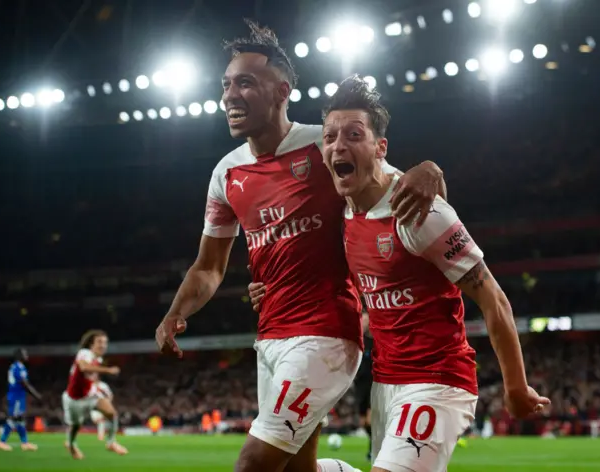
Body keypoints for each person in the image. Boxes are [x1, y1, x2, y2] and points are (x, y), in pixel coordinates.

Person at [155, 20, 446, 472]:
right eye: (226, 84)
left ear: (281, 91)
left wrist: (427, 167)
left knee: (254, 463)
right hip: (270, 335)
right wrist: (177, 312)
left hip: (326, 332)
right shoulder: (226, 174)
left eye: (246, 83)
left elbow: (388, 180)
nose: (231, 95)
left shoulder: (325, 145)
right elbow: (209, 267)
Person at [251, 75, 550, 472]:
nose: (339, 145)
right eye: (330, 137)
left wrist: (515, 386)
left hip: (437, 379)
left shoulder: (418, 211)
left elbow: (493, 299)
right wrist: (272, 290)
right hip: (385, 383)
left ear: (380, 147)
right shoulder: (340, 214)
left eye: (354, 134)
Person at [62, 330, 127, 459]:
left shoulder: (98, 358)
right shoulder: (85, 353)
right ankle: (71, 445)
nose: (103, 345)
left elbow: (91, 376)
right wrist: (108, 370)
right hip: (73, 398)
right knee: (75, 426)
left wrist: (98, 389)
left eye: (105, 343)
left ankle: (111, 442)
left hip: (89, 395)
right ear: (91, 344)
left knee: (112, 413)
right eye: (99, 342)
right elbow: (84, 368)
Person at [0, 348, 41, 452]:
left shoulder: (16, 367)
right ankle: (1, 442)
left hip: (18, 396)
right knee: (14, 418)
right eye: (25, 354)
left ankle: (25, 443)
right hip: (16, 396)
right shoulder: (18, 367)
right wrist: (36, 395)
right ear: (19, 356)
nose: (27, 355)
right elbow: (24, 383)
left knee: (20, 420)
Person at [355, 312, 373, 461]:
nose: (364, 323)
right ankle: (374, 444)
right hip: (359, 385)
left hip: (371, 385)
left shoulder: (372, 341)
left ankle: (373, 448)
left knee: (369, 419)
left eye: (366, 320)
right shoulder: (355, 340)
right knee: (363, 422)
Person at [90, 376, 113, 441]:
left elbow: (110, 395)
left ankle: (101, 436)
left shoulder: (103, 385)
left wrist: (108, 403)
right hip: (92, 406)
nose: (93, 378)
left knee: (101, 421)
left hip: (103, 404)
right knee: (96, 420)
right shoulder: (89, 385)